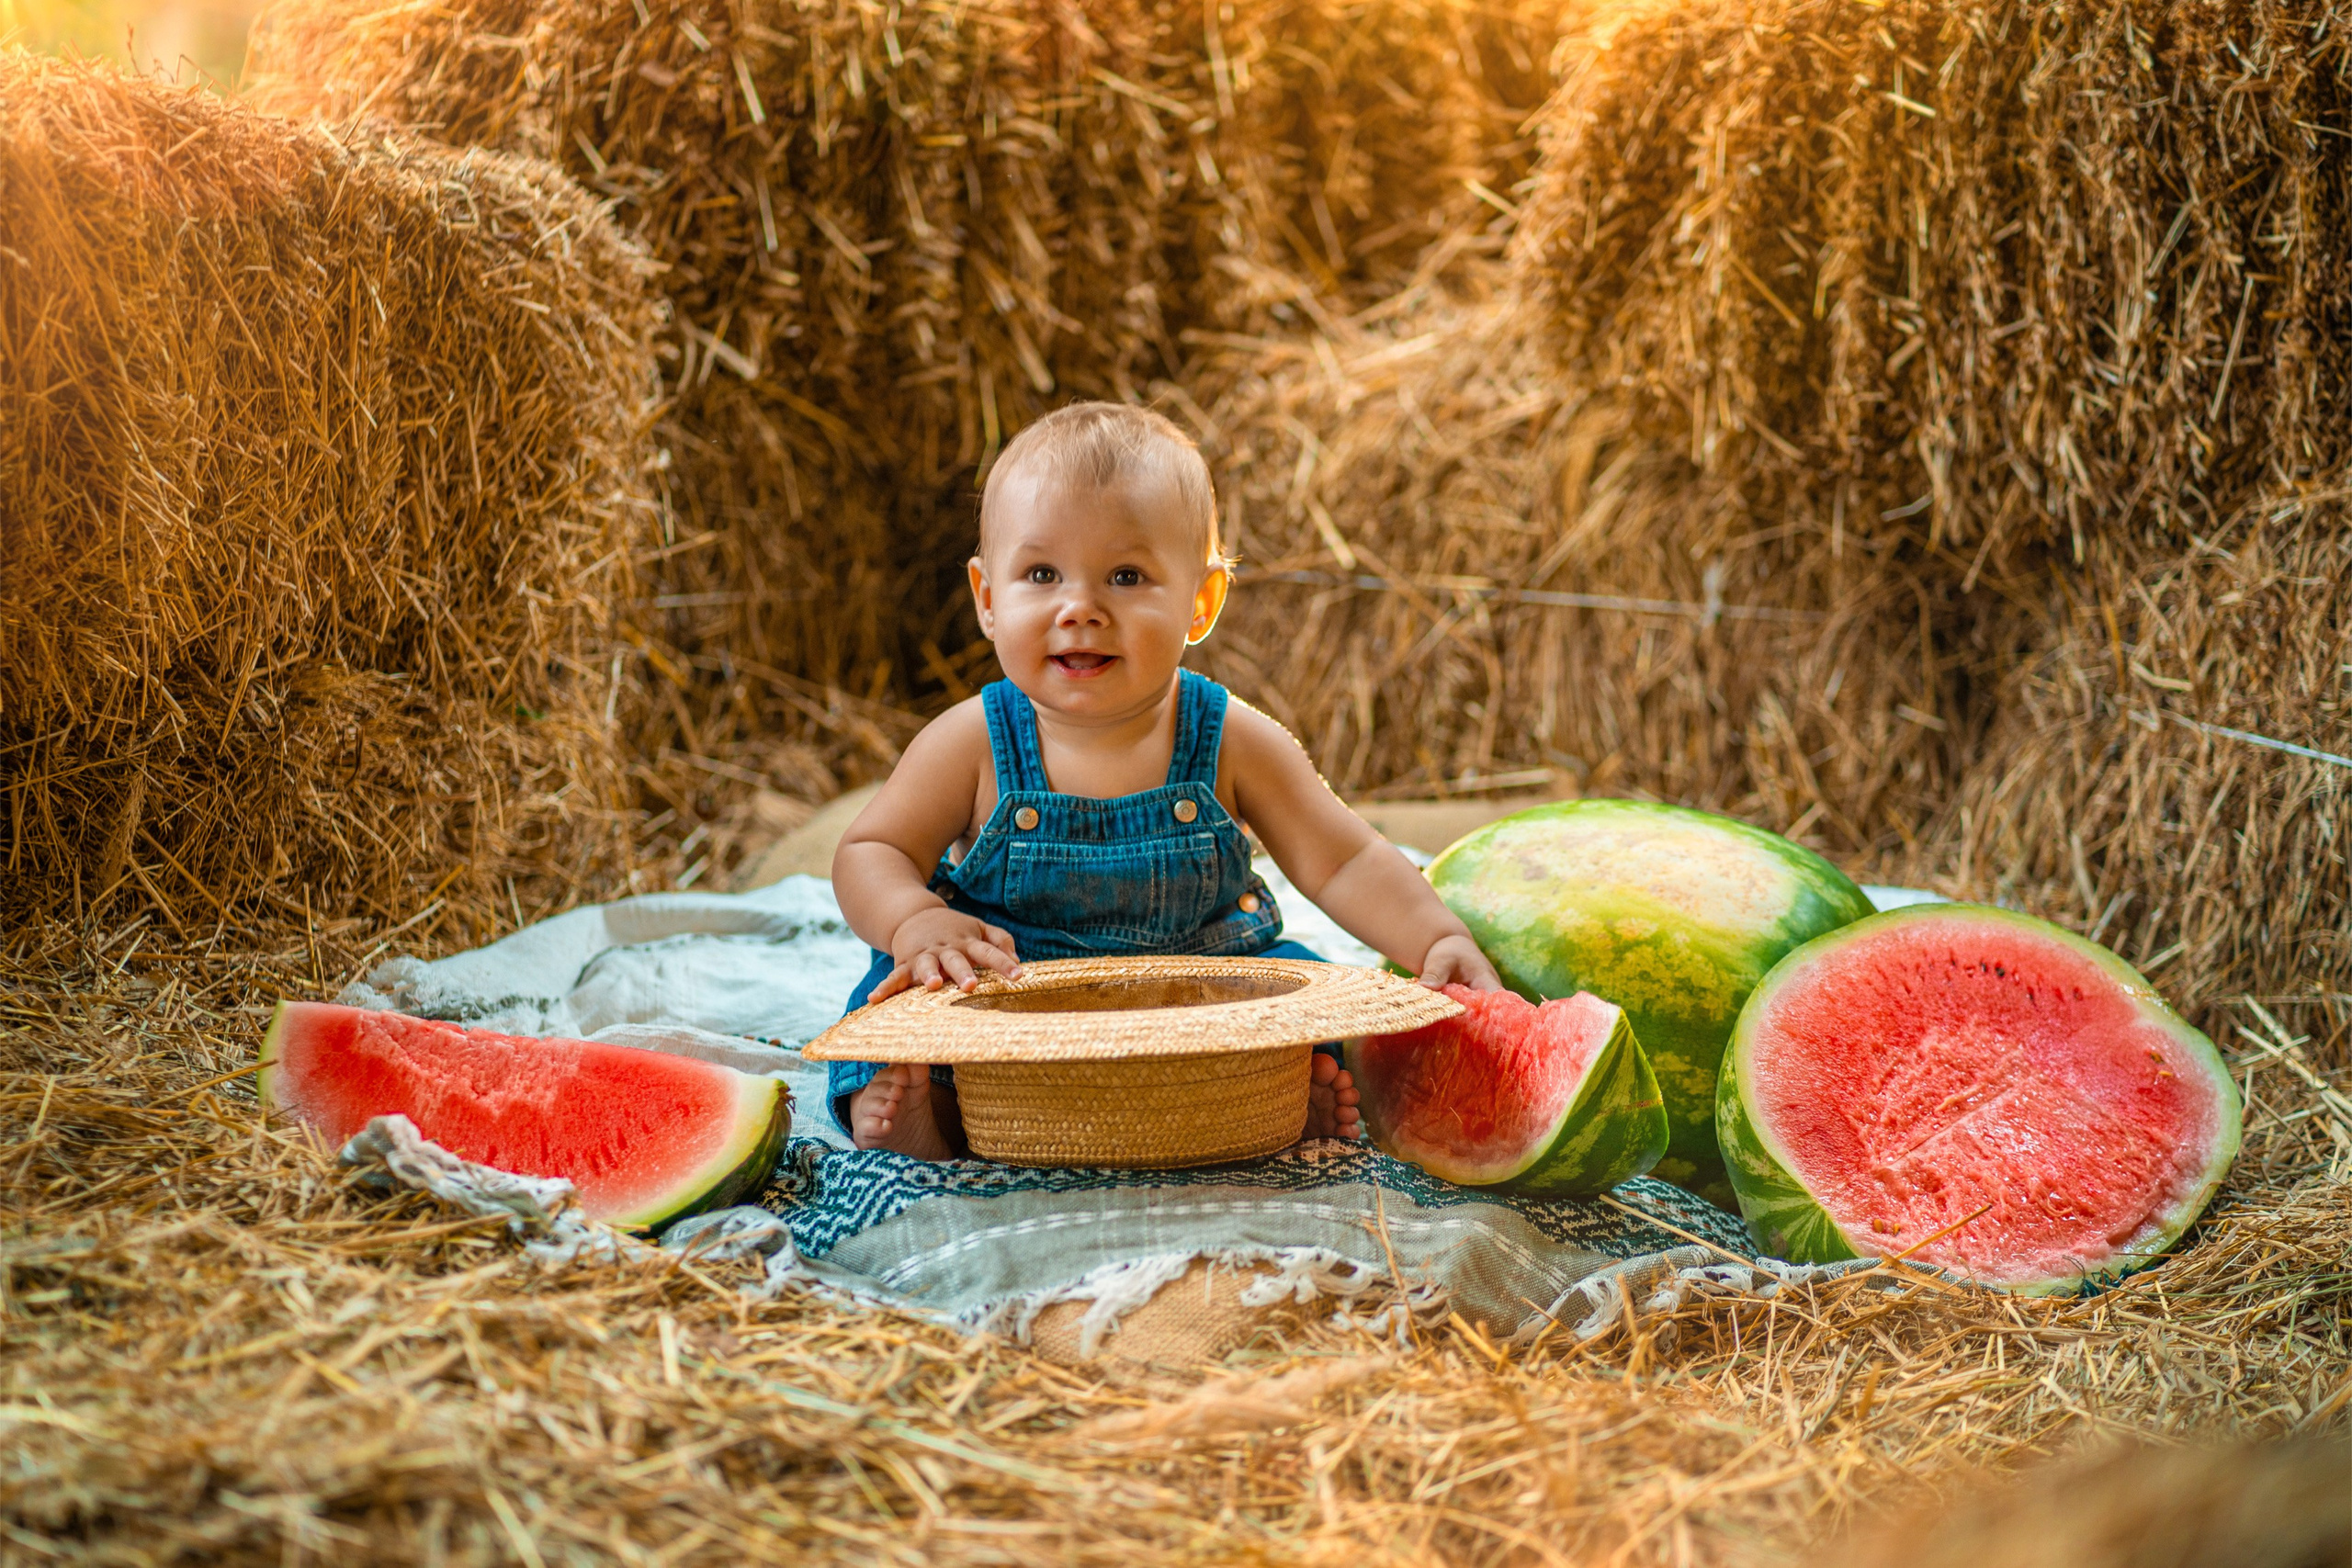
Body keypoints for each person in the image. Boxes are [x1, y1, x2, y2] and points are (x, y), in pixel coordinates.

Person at [828, 401, 1503, 1157]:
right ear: (988, 598)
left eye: (1126, 575)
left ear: (1200, 602)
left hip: (1205, 988)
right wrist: (913, 919)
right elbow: (872, 849)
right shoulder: (972, 740)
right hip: (1011, 1001)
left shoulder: (1232, 737)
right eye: (1041, 573)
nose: (1080, 608)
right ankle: (931, 1120)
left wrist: (1434, 936)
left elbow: (1343, 859)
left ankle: (1288, 1105)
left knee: (1315, 995)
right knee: (892, 994)